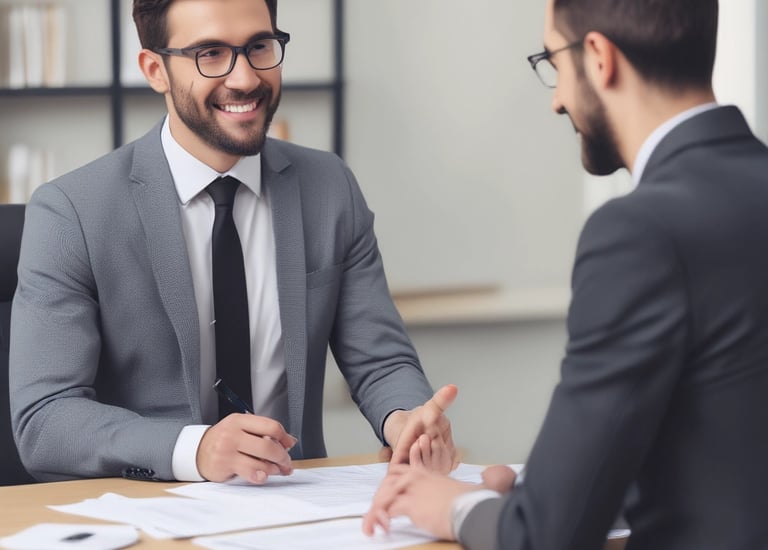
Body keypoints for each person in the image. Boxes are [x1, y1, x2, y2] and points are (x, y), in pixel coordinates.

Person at [364, 0, 768, 548]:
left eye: (553, 63)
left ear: (599, 57)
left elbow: (549, 537)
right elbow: (729, 438)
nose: (556, 99)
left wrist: (455, 507)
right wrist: (535, 487)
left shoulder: (639, 232)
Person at [9, 0, 455, 484]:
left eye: (259, 46)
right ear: (155, 69)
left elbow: (381, 361)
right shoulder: (72, 211)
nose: (244, 78)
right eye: (211, 53)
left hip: (298, 507)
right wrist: (195, 448)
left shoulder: (329, 186)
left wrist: (407, 420)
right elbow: (46, 419)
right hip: (149, 514)